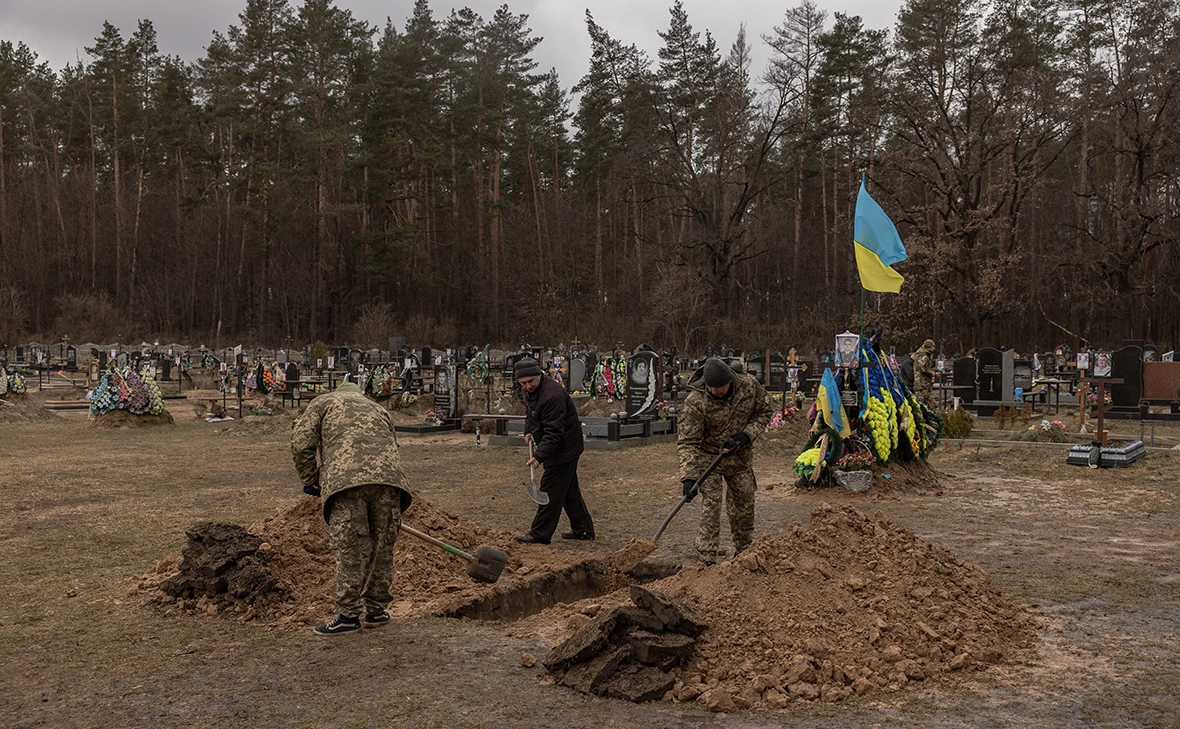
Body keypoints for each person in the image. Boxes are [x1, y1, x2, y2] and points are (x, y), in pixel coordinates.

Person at [290, 376, 413, 636]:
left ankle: (347, 615)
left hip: (347, 483)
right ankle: (377, 610)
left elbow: (302, 442)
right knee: (382, 546)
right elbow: (393, 445)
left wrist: (310, 480)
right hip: (390, 481)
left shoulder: (324, 402)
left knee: (350, 548)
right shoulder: (378, 408)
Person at [677, 357, 773, 564]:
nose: (714, 391)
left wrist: (747, 435)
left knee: (744, 503)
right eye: (710, 387)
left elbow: (765, 412)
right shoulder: (696, 402)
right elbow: (688, 442)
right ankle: (707, 555)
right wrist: (689, 477)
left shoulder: (748, 386)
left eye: (719, 387)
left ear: (730, 381)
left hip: (739, 458)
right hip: (708, 458)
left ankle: (744, 549)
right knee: (711, 504)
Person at [514, 357, 595, 544]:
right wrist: (528, 430)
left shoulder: (553, 395)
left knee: (550, 491)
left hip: (564, 448)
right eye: (523, 383)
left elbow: (554, 432)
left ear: (539, 375)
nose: (527, 386)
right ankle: (583, 530)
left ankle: (539, 533)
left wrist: (539, 456)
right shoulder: (533, 391)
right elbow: (531, 413)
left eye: (530, 382)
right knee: (568, 490)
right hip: (557, 447)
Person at [913, 339, 937, 411]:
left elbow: (926, 367)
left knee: (932, 404)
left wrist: (933, 370)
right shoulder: (923, 356)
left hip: (926, 385)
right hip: (921, 385)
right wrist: (933, 373)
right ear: (929, 347)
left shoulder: (925, 355)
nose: (934, 349)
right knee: (920, 405)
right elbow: (922, 368)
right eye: (933, 347)